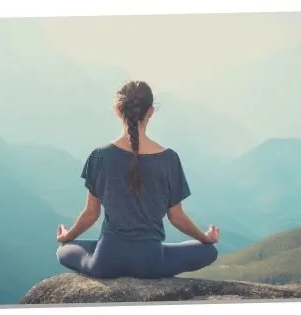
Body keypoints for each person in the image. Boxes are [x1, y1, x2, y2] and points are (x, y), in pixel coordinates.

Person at [55, 80, 220, 279]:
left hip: (106, 261)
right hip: (151, 263)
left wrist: (67, 236)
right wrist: (205, 237)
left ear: (117, 110)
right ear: (151, 111)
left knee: (63, 251)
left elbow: (91, 214)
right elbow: (176, 217)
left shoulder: (100, 156)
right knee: (209, 251)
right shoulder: (169, 159)